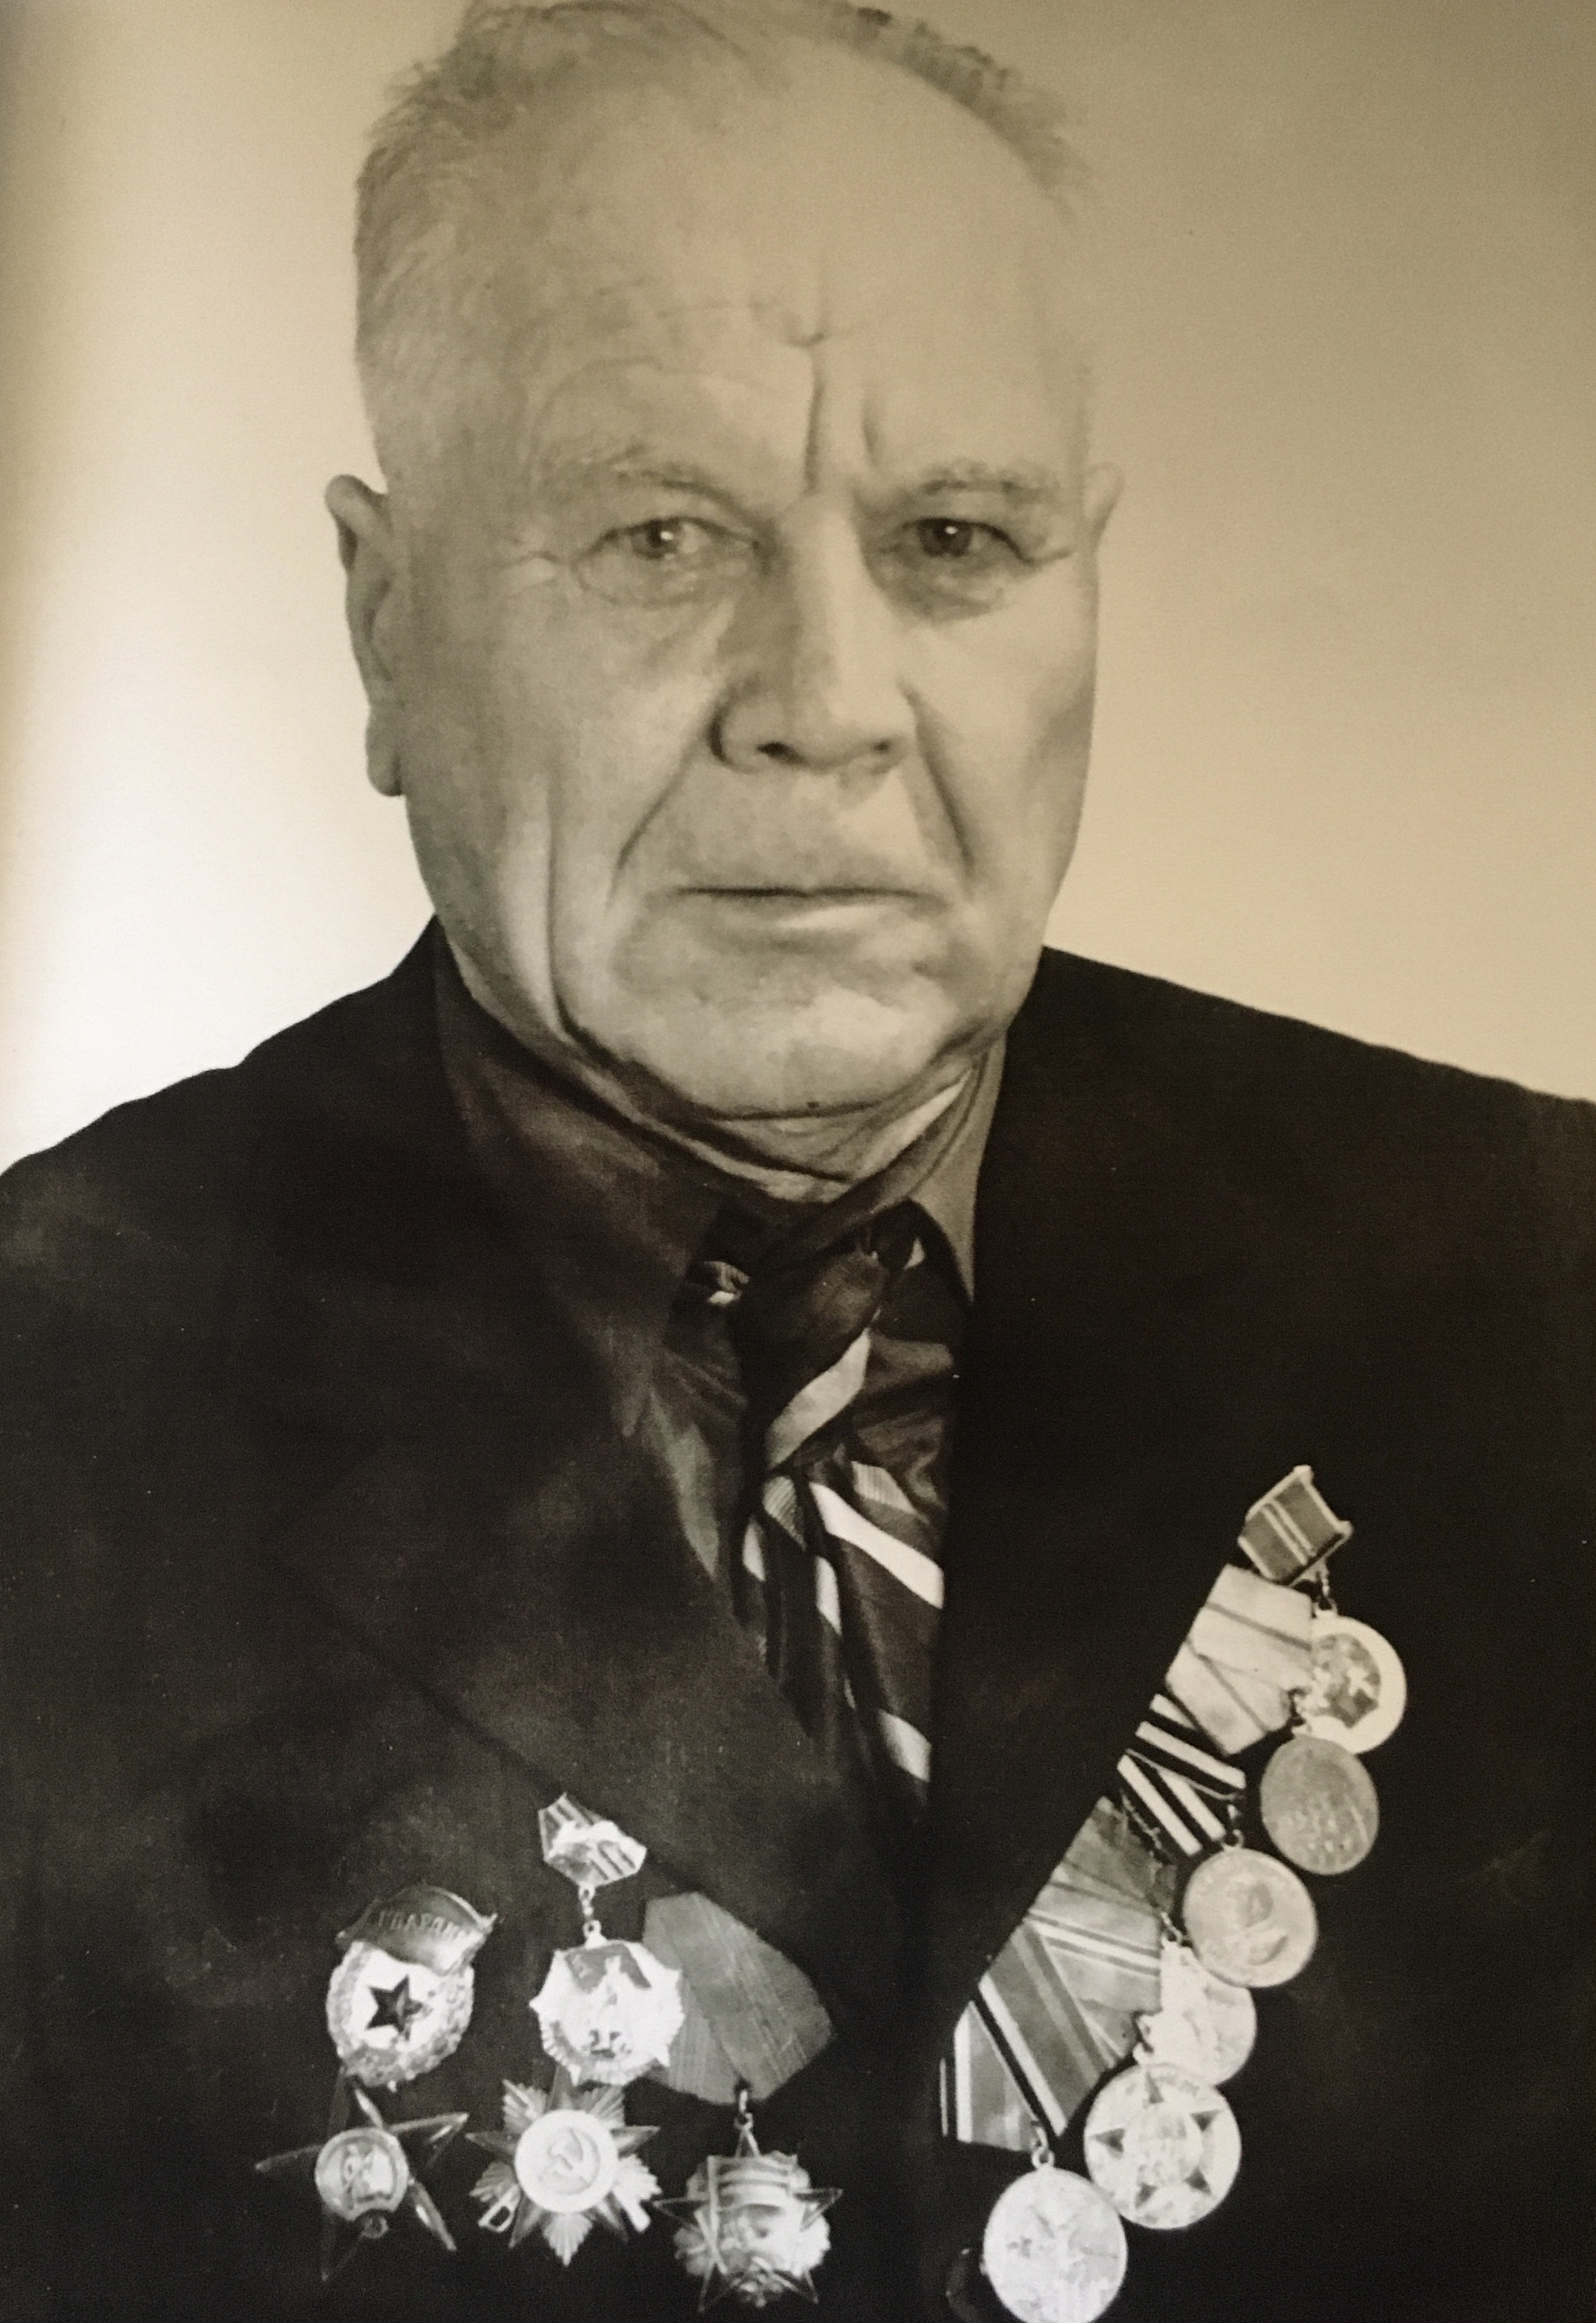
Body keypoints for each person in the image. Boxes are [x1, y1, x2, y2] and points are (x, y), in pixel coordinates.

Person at [0, 3, 1590, 2318]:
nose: (827, 701)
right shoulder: (50, 1389)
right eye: (660, 534)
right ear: (381, 623)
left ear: (1086, 590)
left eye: (956, 538)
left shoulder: (1542, 1291)